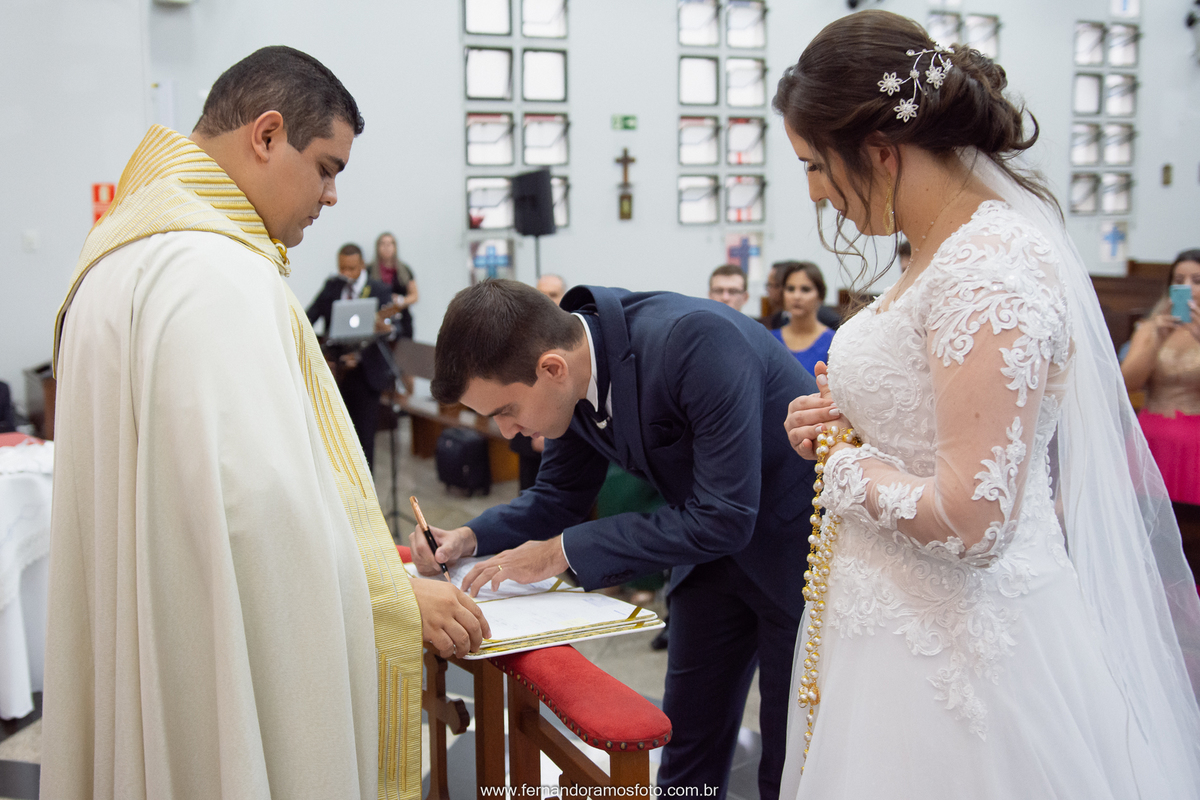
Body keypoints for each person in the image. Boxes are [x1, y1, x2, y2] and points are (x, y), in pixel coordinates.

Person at [772, 11, 1200, 799]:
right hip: (894, 628)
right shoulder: (939, 245)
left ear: (877, 149)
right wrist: (846, 424)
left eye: (815, 165)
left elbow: (975, 520)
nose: (817, 194)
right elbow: (935, 423)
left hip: (960, 655)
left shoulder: (990, 270)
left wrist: (846, 471)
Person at [43, 46, 487, 800]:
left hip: (151, 645)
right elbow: (254, 518)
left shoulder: (116, 254)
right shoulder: (218, 274)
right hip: (208, 673)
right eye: (327, 166)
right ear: (268, 134)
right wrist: (388, 595)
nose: (333, 194)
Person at [410, 279, 818, 800]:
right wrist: (466, 538)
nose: (508, 432)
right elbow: (557, 496)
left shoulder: (695, 343)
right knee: (688, 743)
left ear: (551, 368)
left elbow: (725, 514)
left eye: (505, 411)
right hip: (702, 557)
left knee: (788, 757)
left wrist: (560, 551)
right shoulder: (571, 371)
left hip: (794, 558)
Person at [1121, 249, 1200, 507]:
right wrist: (1156, 340)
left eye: (1197, 281)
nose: (1187, 288)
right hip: (1151, 440)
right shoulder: (1150, 328)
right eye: (1179, 281)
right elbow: (1126, 384)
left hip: (1195, 444)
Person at [308, 243, 396, 469]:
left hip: (366, 376)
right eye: (342, 268)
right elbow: (309, 317)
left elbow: (395, 330)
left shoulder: (379, 289)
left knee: (365, 442)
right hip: (337, 374)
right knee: (336, 440)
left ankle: (367, 498)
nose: (347, 273)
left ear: (362, 265)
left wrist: (384, 328)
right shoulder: (332, 287)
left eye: (352, 268)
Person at [770, 261, 835, 374]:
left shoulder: (833, 342)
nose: (796, 296)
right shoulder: (770, 339)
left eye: (805, 289)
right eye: (790, 289)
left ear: (820, 295)